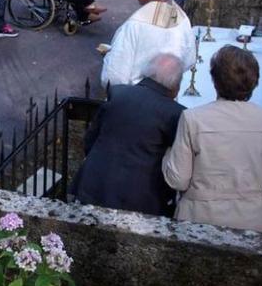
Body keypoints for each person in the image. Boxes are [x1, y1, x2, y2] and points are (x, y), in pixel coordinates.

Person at [163, 46, 262, 233]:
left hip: (201, 219)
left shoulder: (193, 118)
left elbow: (178, 179)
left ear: (214, 79)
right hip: (255, 220)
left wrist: (167, 154)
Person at [71, 54, 185, 216]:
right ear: (176, 86)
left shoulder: (118, 93)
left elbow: (91, 138)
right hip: (139, 199)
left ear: (147, 73)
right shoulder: (175, 113)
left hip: (94, 184)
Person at [101, 0, 195, 87]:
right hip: (171, 90)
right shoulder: (182, 18)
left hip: (139, 94)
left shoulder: (134, 25)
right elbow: (189, 60)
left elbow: (114, 76)